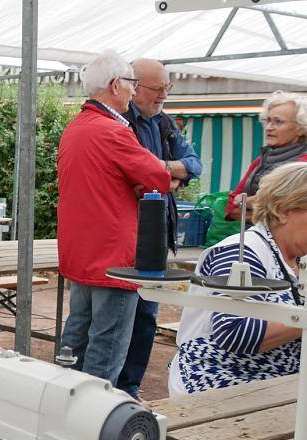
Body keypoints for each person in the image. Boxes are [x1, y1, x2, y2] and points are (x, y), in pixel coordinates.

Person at [57, 50, 170, 385]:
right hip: (115, 258)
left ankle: (59, 414)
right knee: (105, 355)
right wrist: (157, 177)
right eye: (132, 84)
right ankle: (90, 426)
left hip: (83, 254)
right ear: (115, 85)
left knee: (74, 343)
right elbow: (159, 177)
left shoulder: (75, 127)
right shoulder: (114, 131)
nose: (134, 91)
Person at [169, 162, 305, 397]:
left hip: (276, 382)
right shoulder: (241, 252)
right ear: (283, 211)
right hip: (220, 381)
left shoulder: (298, 259)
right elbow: (234, 333)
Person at [116, 58, 203, 400]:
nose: (164, 95)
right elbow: (136, 183)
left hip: (159, 232)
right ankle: (109, 386)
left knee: (147, 315)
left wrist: (161, 171)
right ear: (134, 87)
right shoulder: (120, 123)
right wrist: (168, 178)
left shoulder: (164, 123)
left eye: (168, 88)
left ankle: (131, 386)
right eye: (158, 89)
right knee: (120, 312)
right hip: (129, 230)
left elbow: (193, 164)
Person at [225, 91, 307, 222]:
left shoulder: (303, 164)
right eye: (268, 121)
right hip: (254, 237)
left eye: (278, 122)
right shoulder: (261, 160)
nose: (269, 128)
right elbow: (230, 208)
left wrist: (245, 202)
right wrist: (262, 208)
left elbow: (288, 212)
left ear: (301, 128)